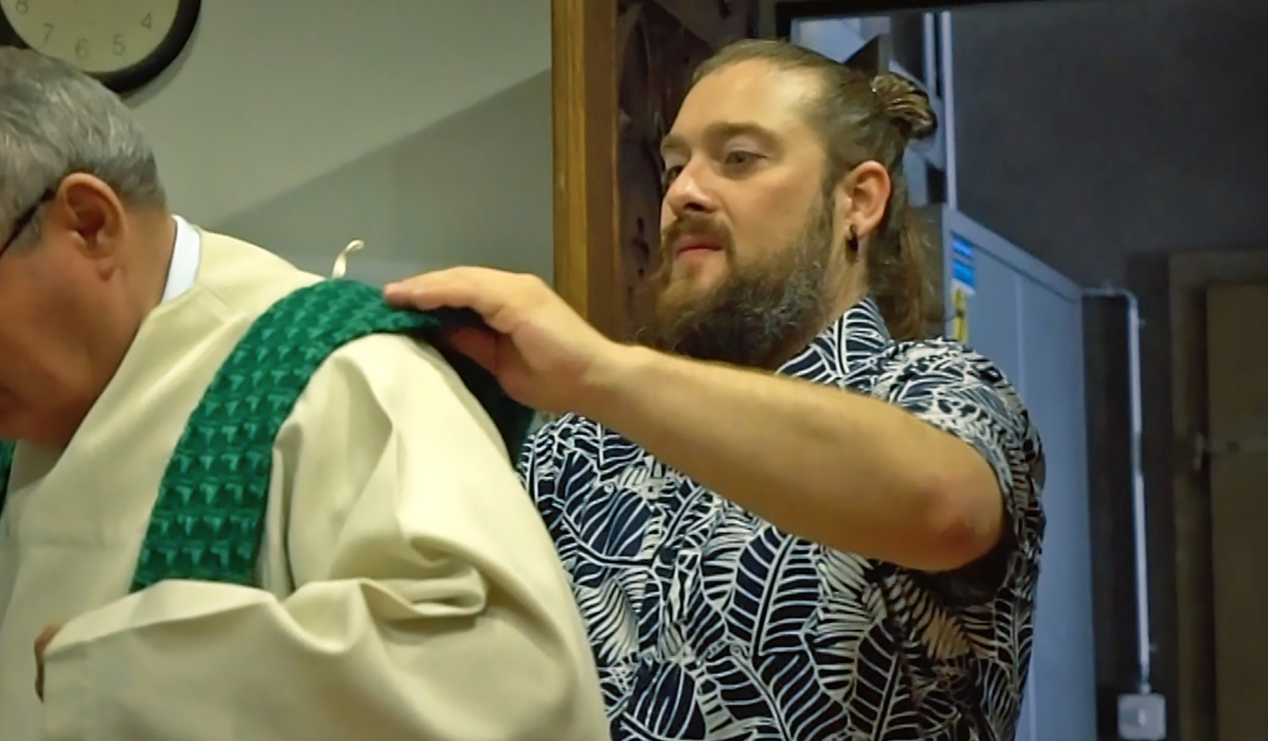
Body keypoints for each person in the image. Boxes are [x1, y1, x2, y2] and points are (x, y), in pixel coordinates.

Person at [0, 47, 610, 741]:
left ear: (88, 222)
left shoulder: (339, 377)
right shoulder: (14, 452)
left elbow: (517, 688)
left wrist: (139, 673)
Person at [384, 39, 1046, 740]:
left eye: (738, 159)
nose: (682, 194)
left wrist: (600, 372)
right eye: (674, 165)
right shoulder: (582, 445)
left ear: (859, 199)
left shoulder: (940, 389)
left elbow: (943, 504)